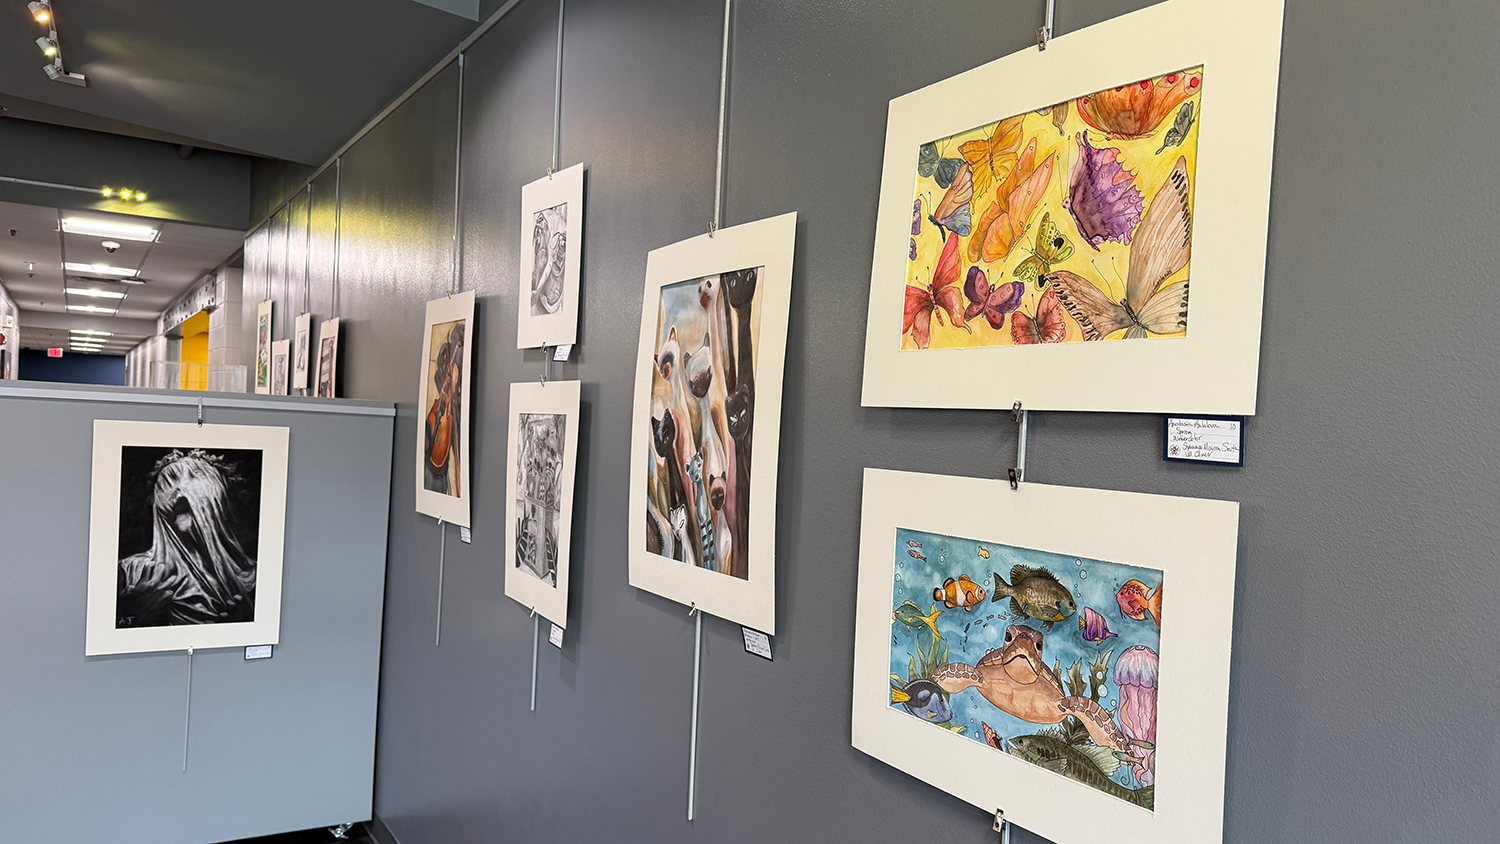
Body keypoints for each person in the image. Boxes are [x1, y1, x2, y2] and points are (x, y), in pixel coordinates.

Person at [116, 449, 256, 627]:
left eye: (195, 476)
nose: (178, 491)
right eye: (167, 483)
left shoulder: (259, 579)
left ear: (223, 495)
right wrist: (136, 614)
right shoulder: (130, 573)